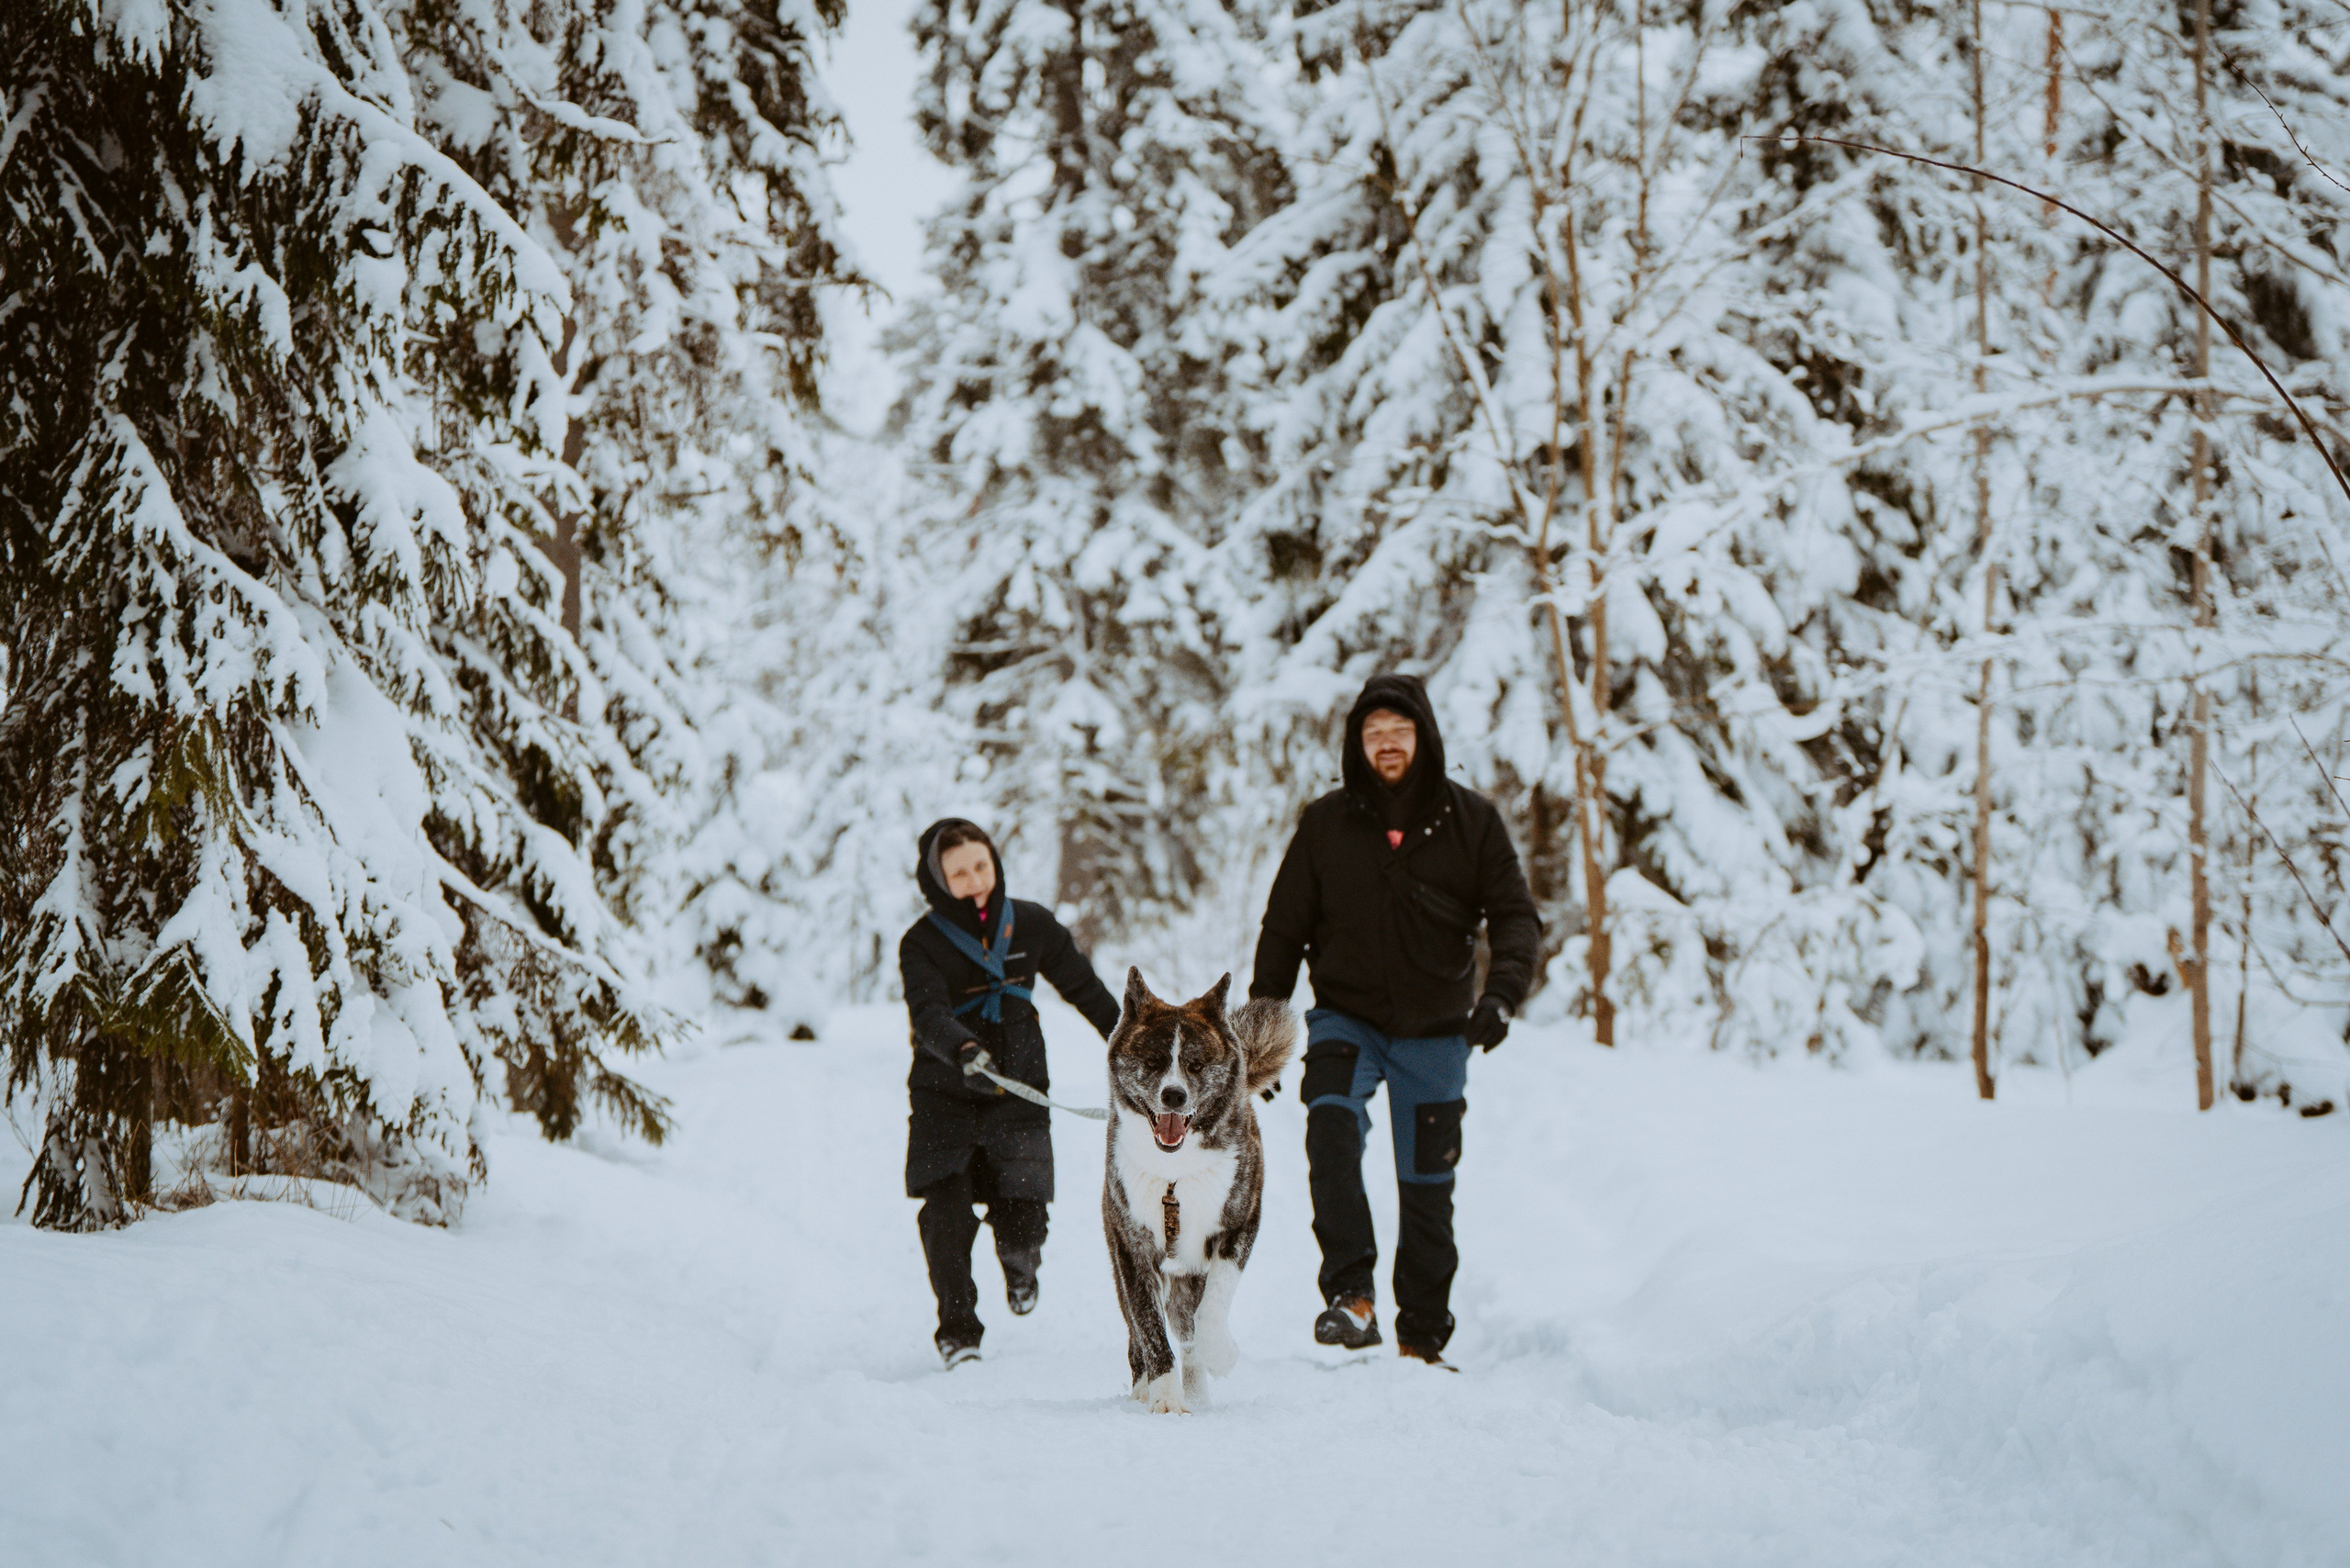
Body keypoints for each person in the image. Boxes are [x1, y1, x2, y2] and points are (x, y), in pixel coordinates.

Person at [1248, 673, 1542, 1365]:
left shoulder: (1472, 821)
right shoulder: (1326, 822)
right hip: (1346, 1019)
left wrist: (1499, 995)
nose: (1386, 743)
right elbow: (1284, 927)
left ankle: (1422, 1338)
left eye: (1399, 732)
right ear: (1357, 743)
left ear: (1424, 739)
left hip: (1437, 1032)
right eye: (1373, 732)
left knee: (1427, 1186)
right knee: (1329, 1123)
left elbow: (1515, 916)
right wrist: (1262, 1034)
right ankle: (1351, 1298)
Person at [900, 818, 1122, 1367]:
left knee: (1024, 1216)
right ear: (937, 880)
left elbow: (1086, 990)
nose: (975, 880)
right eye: (959, 873)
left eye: (981, 865)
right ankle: (958, 1331)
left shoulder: (1031, 923)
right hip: (945, 1089)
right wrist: (963, 1049)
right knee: (946, 1218)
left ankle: (1020, 1263)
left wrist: (1133, 1040)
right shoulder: (920, 944)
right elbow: (927, 1013)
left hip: (1019, 1085)